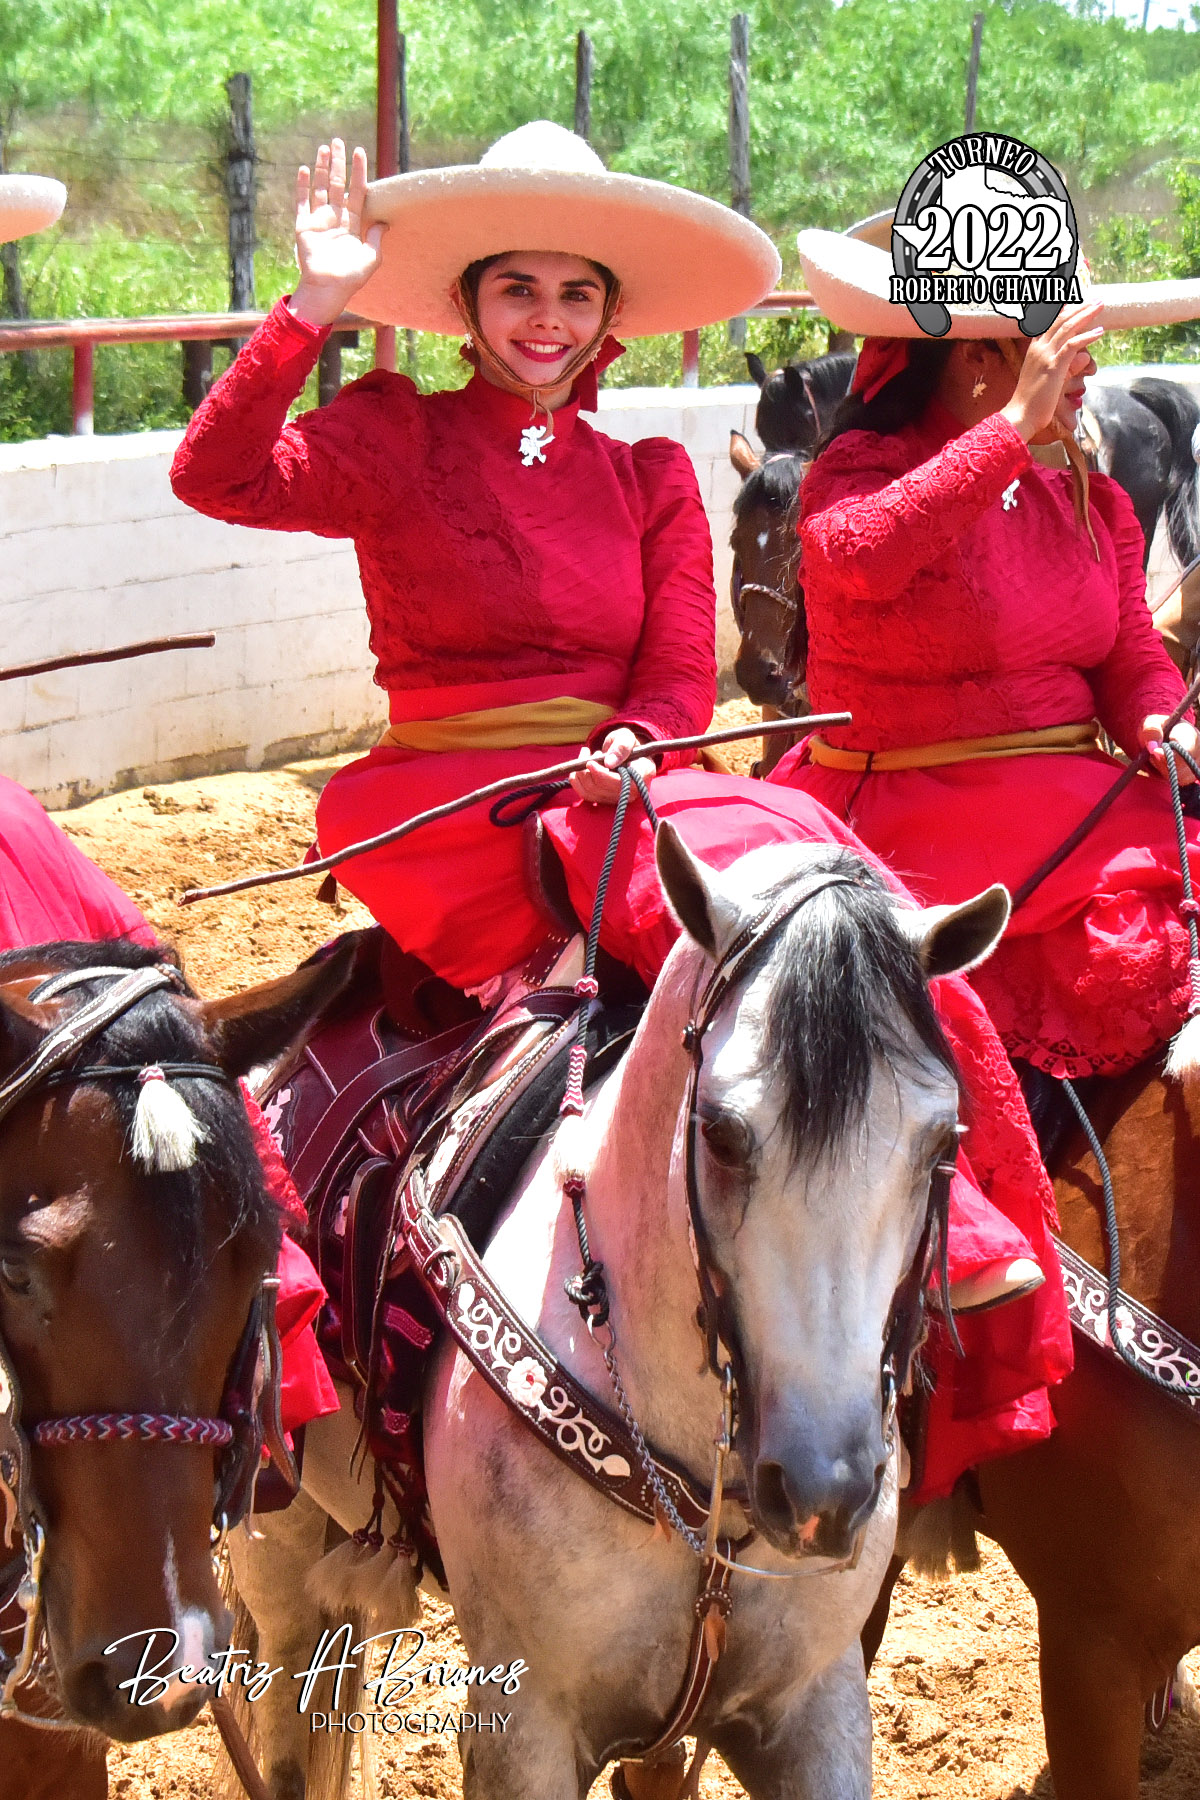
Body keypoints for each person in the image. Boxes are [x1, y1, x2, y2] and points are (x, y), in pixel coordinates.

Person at [170, 123, 1073, 1499]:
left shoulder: (649, 475)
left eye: (575, 293)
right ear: (468, 301)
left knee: (826, 883)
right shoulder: (395, 432)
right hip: (455, 801)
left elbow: (670, 676)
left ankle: (942, 1204)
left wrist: (638, 744)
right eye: (517, 289)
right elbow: (215, 475)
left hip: (622, 786)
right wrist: (313, 305)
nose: (546, 318)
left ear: (609, 314)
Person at [781, 227, 1200, 1085]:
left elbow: (1128, 651)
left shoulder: (1088, 497)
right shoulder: (859, 470)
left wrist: (1160, 719)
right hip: (908, 816)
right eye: (1068, 347)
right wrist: (1011, 428)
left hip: (1073, 803)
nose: (1089, 369)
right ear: (980, 354)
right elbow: (860, 556)